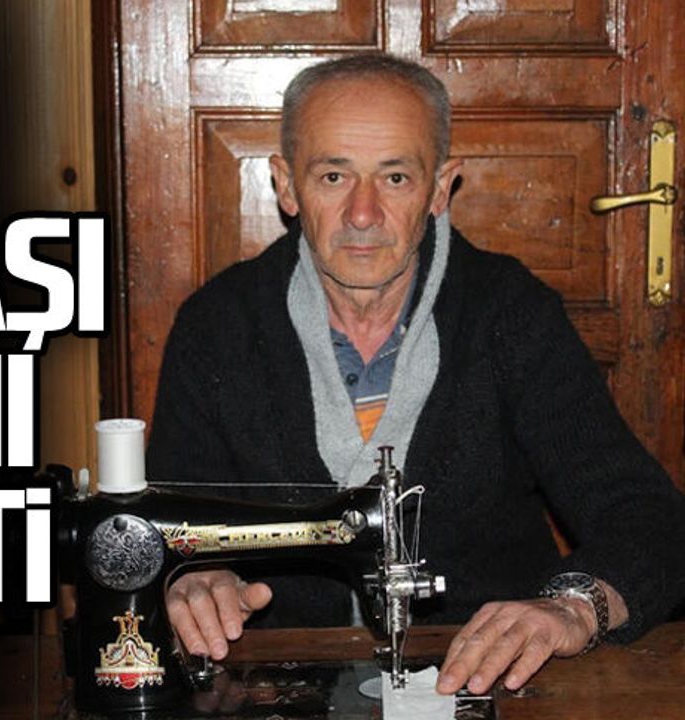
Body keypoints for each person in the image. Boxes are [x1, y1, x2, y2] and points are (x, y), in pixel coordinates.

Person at [144, 53, 685, 697]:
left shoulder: (509, 315)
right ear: (287, 186)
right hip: (281, 684)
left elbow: (649, 522)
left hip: (488, 678)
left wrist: (571, 609)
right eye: (334, 176)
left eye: (395, 177)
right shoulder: (217, 328)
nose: (363, 213)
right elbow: (165, 532)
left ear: (439, 189)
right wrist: (188, 580)